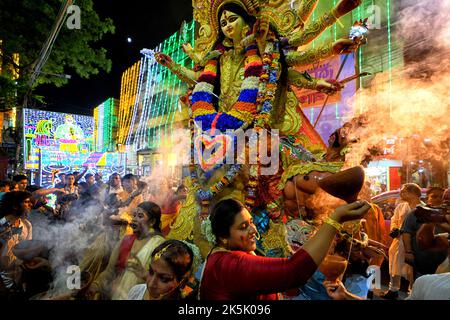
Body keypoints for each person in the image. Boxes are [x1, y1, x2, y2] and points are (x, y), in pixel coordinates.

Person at [198, 198, 371, 300]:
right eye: (243, 227)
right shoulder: (228, 264)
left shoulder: (225, 256)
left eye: (251, 222)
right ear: (222, 236)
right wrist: (336, 218)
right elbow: (293, 270)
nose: (253, 230)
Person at [87, 201, 165, 300]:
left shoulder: (159, 245)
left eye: (140, 216)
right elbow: (110, 271)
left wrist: (143, 274)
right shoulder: (126, 240)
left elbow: (160, 284)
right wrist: (94, 287)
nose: (134, 219)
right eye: (134, 215)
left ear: (152, 222)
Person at [381, 183, 422, 299]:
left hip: (413, 243)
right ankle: (393, 290)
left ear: (413, 193)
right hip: (398, 241)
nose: (401, 193)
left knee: (411, 270)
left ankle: (412, 293)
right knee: (394, 265)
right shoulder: (401, 206)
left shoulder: (422, 208)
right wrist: (394, 228)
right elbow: (394, 220)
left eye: (404, 191)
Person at [401, 187, 448, 282]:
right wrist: (408, 252)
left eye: (441, 197)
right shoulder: (417, 213)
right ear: (427, 198)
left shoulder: (446, 215)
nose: (438, 199)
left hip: (443, 265)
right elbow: (406, 232)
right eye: (434, 196)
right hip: (422, 263)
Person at [127, 239, 198, 300]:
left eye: (164, 279)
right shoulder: (136, 292)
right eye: (151, 272)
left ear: (182, 282)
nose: (151, 284)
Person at [0, 191, 33, 297]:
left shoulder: (27, 225)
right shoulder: (1, 225)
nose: (30, 205)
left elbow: (27, 249)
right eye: (26, 202)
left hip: (20, 278)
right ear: (15, 206)